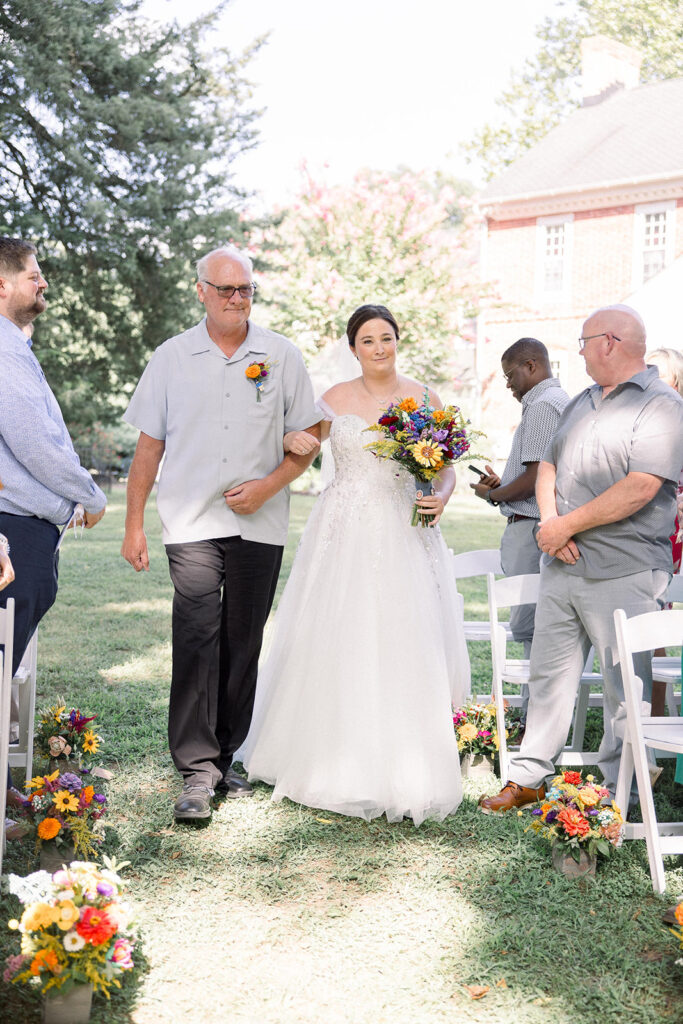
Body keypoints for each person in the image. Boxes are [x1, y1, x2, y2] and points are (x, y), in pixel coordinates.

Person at [239, 304, 470, 825]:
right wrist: (285, 437)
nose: (379, 348)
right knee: (336, 632)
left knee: (402, 635)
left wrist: (444, 495)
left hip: (403, 530)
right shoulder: (333, 400)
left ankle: (404, 757)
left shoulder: (423, 397)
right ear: (353, 348)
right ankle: (324, 753)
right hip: (341, 531)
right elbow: (296, 444)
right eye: (368, 340)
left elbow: (446, 465)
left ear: (397, 340)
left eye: (386, 337)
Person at [121, 245, 322, 823]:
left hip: (260, 522)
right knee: (196, 633)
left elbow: (306, 436)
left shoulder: (281, 355)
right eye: (226, 289)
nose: (237, 299)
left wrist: (270, 483)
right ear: (202, 291)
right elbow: (149, 446)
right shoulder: (170, 357)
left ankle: (225, 753)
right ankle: (196, 768)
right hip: (190, 520)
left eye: (246, 290)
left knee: (244, 639)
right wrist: (134, 523)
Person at [479, 304, 683, 814]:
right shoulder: (582, 400)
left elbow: (640, 488)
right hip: (561, 564)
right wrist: (551, 526)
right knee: (549, 678)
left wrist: (566, 525)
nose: (581, 353)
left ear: (610, 342)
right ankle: (528, 776)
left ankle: (620, 792)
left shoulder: (662, 405)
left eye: (584, 342)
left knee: (623, 690)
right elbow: (547, 463)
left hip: (625, 568)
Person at [0, 237, 107, 836]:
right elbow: (34, 442)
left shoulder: (15, 346)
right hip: (11, 531)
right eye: (33, 275)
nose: (43, 284)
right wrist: (88, 493)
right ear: (3, 285)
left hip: (22, 526)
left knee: (3, 657)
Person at [470, 339, 569, 675]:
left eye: (510, 375)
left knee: (530, 627)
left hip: (531, 528)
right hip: (538, 524)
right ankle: (535, 715)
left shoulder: (542, 404)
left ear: (531, 365)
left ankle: (533, 719)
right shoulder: (558, 400)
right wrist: (504, 483)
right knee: (537, 627)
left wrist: (493, 496)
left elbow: (536, 476)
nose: (508, 384)